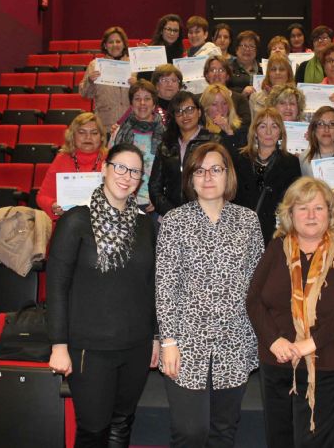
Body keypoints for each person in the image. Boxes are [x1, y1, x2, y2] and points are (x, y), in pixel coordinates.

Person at [48, 143, 158, 447]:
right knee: (94, 428)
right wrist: (58, 344)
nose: (126, 176)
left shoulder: (146, 225)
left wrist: (156, 337)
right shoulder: (76, 222)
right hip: (89, 349)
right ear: (104, 169)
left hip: (136, 345)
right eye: (120, 167)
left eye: (134, 171)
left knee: (122, 423)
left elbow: (153, 285)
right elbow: (57, 286)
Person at [156, 142, 264, 448]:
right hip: (186, 342)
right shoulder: (175, 221)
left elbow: (257, 282)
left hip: (235, 341)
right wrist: (168, 342)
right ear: (190, 178)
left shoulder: (248, 221)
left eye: (216, 169)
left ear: (228, 175)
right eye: (199, 170)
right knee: (190, 431)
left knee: (223, 430)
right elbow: (165, 285)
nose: (207, 177)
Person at [247, 176, 334, 448]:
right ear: (290, 213)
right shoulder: (277, 248)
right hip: (277, 360)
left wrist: (308, 344)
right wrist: (274, 340)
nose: (311, 215)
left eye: (319, 208)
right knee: (280, 440)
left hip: (326, 363)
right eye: (302, 208)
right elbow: (254, 300)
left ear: (330, 212)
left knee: (312, 443)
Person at [233, 107, 301, 244]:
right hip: (243, 232)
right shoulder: (240, 159)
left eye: (274, 126)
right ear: (255, 132)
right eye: (263, 126)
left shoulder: (291, 163)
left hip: (276, 233)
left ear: (281, 132)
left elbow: (294, 200)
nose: (268, 132)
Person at [149, 91, 220, 216]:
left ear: (199, 112)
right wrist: (173, 214)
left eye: (190, 109)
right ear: (174, 117)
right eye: (179, 111)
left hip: (206, 215)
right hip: (170, 216)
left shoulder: (214, 142)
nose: (185, 115)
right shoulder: (166, 145)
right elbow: (155, 187)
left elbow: (221, 182)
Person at [37, 112, 107, 220]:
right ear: (73, 136)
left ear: (101, 137)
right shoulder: (62, 159)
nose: (88, 137)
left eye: (94, 133)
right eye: (82, 132)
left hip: (102, 221)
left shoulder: (110, 159)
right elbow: (42, 197)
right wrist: (53, 205)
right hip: (68, 221)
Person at [110, 79, 164, 212]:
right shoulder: (119, 132)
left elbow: (170, 171)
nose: (142, 103)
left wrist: (159, 197)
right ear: (131, 104)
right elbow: (110, 166)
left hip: (154, 203)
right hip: (123, 201)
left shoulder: (166, 134)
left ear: (154, 104)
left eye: (147, 98)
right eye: (137, 99)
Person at [79, 26, 132, 130]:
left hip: (130, 123)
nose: (114, 45)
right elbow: (84, 94)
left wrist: (137, 83)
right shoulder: (94, 65)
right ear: (105, 45)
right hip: (105, 123)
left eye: (118, 41)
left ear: (124, 44)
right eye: (110, 42)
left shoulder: (134, 64)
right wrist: (89, 81)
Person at [203, 55, 252, 128]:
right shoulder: (198, 99)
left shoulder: (240, 99)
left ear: (227, 76)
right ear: (206, 75)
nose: (217, 74)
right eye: (212, 70)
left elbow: (245, 125)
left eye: (221, 70)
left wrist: (227, 127)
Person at [249, 53, 295, 122]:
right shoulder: (254, 98)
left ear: (288, 73)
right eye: (273, 69)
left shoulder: (297, 97)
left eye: (282, 69)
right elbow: (252, 128)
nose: (277, 72)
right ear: (268, 74)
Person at [200, 83, 247, 149]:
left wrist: (229, 132)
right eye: (214, 104)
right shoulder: (200, 130)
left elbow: (239, 158)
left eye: (224, 103)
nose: (220, 109)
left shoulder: (241, 130)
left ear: (230, 106)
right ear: (205, 107)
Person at [229, 30, 261, 96]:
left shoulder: (264, 69)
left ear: (256, 51)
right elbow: (223, 90)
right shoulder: (228, 69)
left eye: (252, 46)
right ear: (236, 49)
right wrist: (241, 92)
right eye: (244, 45)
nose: (247, 49)